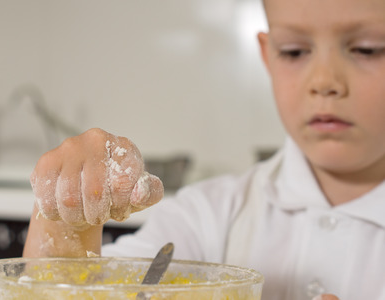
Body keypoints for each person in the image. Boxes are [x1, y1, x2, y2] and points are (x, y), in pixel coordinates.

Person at [23, 0, 385, 299]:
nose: (325, 81)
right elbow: (71, 290)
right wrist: (67, 216)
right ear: (268, 55)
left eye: (367, 49)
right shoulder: (207, 216)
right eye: (293, 51)